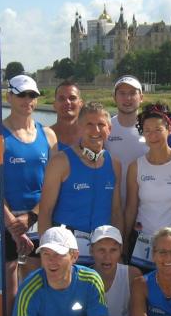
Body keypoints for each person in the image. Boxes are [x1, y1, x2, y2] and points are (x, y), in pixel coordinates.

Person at [38, 102, 123, 263]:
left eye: (101, 125)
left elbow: (116, 212)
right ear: (79, 127)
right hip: (66, 248)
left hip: (102, 249)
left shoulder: (114, 164)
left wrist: (119, 252)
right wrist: (46, 255)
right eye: (89, 124)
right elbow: (45, 212)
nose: (95, 130)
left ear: (109, 129)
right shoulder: (60, 162)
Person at [2, 74, 57, 316]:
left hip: (38, 220)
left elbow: (53, 185)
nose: (28, 100)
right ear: (9, 97)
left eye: (32, 95)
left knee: (38, 287)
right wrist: (12, 224)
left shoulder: (48, 135)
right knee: (11, 291)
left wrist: (32, 217)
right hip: (8, 222)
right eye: (22, 95)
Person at [124, 103, 171, 273]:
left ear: (169, 130)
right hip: (142, 242)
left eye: (158, 129)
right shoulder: (136, 167)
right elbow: (130, 209)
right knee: (141, 287)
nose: (153, 135)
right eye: (147, 130)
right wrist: (125, 241)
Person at [107, 75, 148, 204]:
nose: (127, 98)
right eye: (122, 93)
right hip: (111, 204)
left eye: (132, 93)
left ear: (141, 97)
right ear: (114, 97)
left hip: (144, 206)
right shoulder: (104, 128)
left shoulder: (151, 128)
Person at [49, 79, 84, 147]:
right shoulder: (43, 137)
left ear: (81, 104)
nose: (67, 102)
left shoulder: (92, 136)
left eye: (72, 98)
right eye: (62, 99)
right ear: (54, 104)